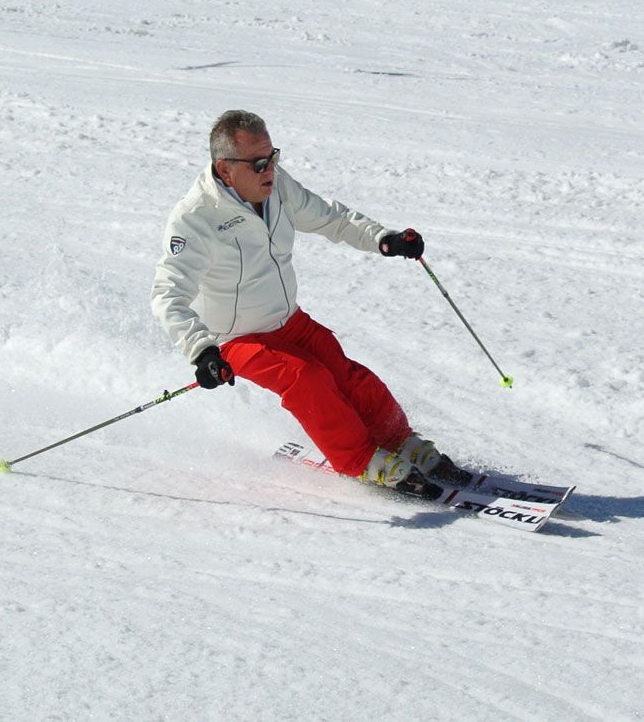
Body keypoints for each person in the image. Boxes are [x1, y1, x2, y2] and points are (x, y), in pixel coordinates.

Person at [151, 110, 472, 496]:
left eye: (272, 157)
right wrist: (202, 352)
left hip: (289, 320)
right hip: (235, 339)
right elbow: (168, 292)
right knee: (308, 379)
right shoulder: (195, 218)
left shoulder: (276, 187)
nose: (269, 169)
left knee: (345, 372)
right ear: (225, 170)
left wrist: (383, 239)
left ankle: (400, 441)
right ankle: (362, 460)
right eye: (258, 163)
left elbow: (330, 218)